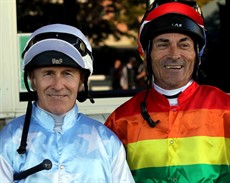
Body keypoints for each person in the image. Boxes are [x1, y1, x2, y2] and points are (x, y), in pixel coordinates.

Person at [105, 0, 230, 182]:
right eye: (163, 44)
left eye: (184, 44)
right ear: (146, 54)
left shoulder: (226, 109)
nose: (174, 54)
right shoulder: (120, 120)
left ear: (198, 54)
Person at [0, 23, 134, 182]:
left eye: (67, 74)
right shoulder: (8, 141)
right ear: (32, 80)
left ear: (81, 81)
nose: (57, 85)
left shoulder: (107, 141)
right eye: (48, 73)